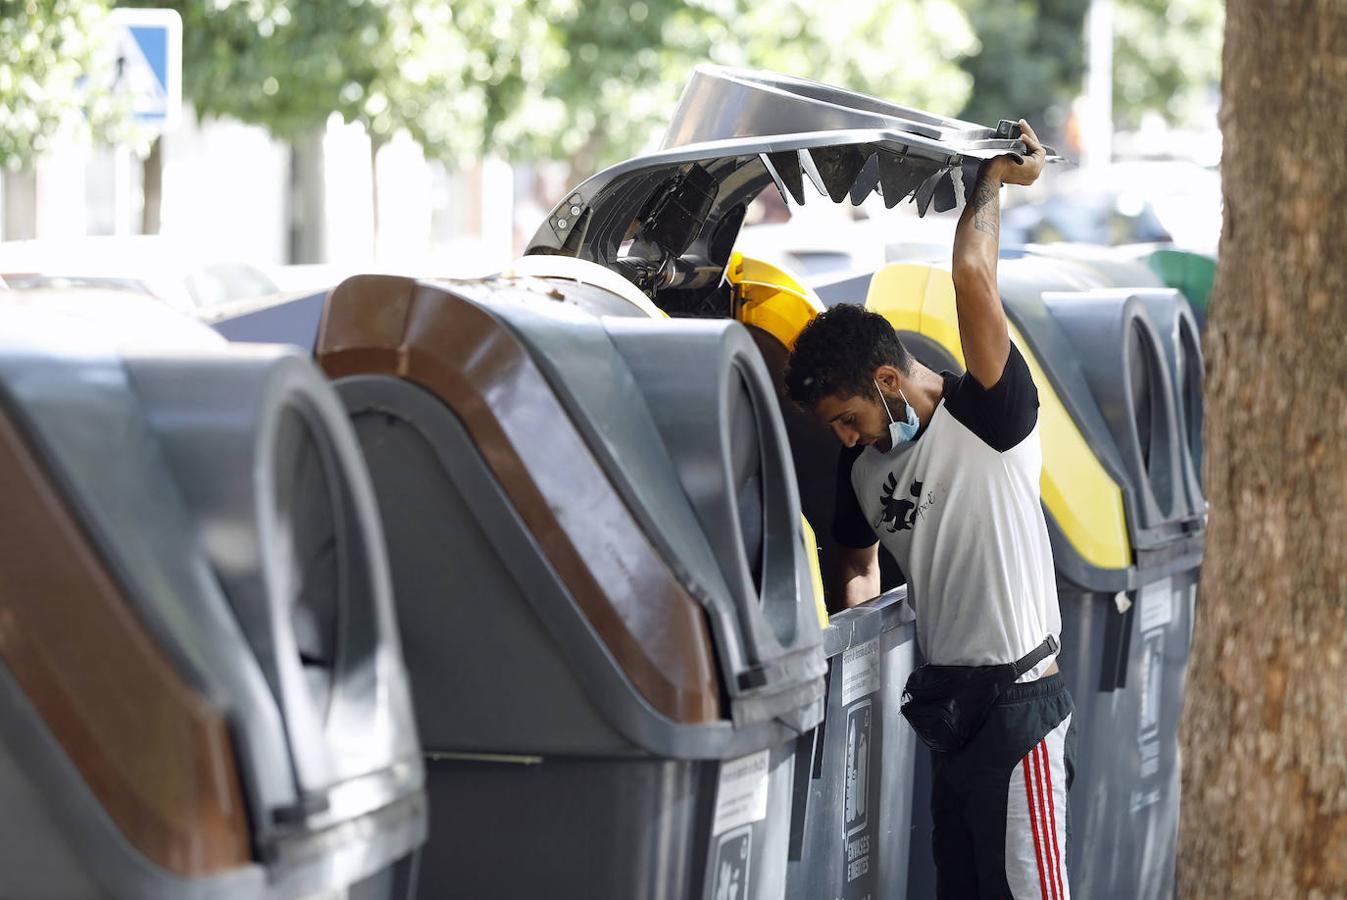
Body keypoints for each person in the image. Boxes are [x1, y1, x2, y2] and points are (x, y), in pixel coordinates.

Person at [784, 121, 1075, 899]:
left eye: (849, 416)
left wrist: (991, 183)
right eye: (835, 429)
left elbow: (973, 281)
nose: (845, 438)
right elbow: (854, 567)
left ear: (887, 378)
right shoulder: (858, 468)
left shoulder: (990, 413)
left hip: (1020, 707)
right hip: (948, 710)